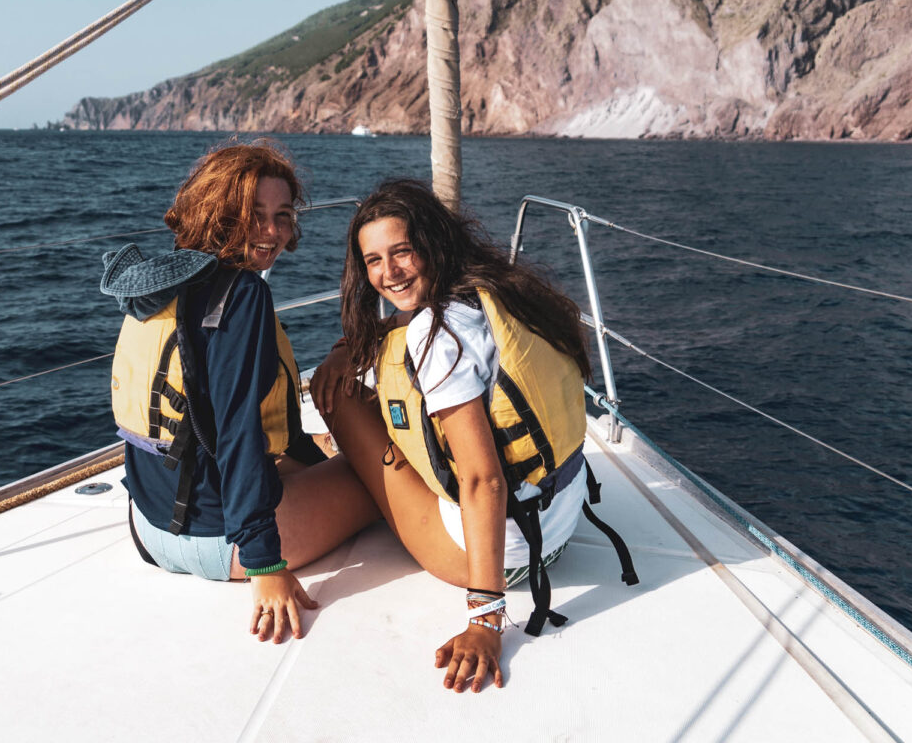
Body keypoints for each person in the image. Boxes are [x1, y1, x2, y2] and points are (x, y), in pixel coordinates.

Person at [311, 178, 625, 694]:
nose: (387, 273)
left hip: (499, 557)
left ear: (432, 245)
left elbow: (484, 480)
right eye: (373, 261)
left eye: (402, 253)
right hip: (559, 527)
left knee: (342, 395)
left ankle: (348, 460)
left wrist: (485, 620)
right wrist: (354, 344)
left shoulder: (438, 335)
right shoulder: (499, 290)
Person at [104, 140, 379, 644]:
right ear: (219, 213)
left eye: (282, 215)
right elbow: (236, 434)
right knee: (379, 471)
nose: (273, 232)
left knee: (317, 458)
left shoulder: (158, 283)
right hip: (223, 544)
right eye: (254, 215)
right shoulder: (244, 295)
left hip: (149, 528)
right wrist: (264, 564)